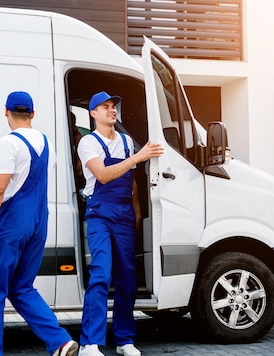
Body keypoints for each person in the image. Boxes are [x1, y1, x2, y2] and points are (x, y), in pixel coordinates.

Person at [0, 91, 78, 356]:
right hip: (38, 222)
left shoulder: (8, 144)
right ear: (32, 114)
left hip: (11, 224)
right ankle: (60, 341)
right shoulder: (46, 142)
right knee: (21, 287)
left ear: (5, 111)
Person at [77, 91, 164, 356]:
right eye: (105, 107)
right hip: (100, 213)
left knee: (127, 278)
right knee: (102, 274)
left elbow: (133, 181)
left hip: (125, 214)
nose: (112, 110)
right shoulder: (88, 143)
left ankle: (125, 340)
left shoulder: (126, 141)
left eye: (113, 106)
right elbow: (103, 175)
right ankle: (89, 343)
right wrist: (139, 157)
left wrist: (137, 212)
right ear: (93, 113)